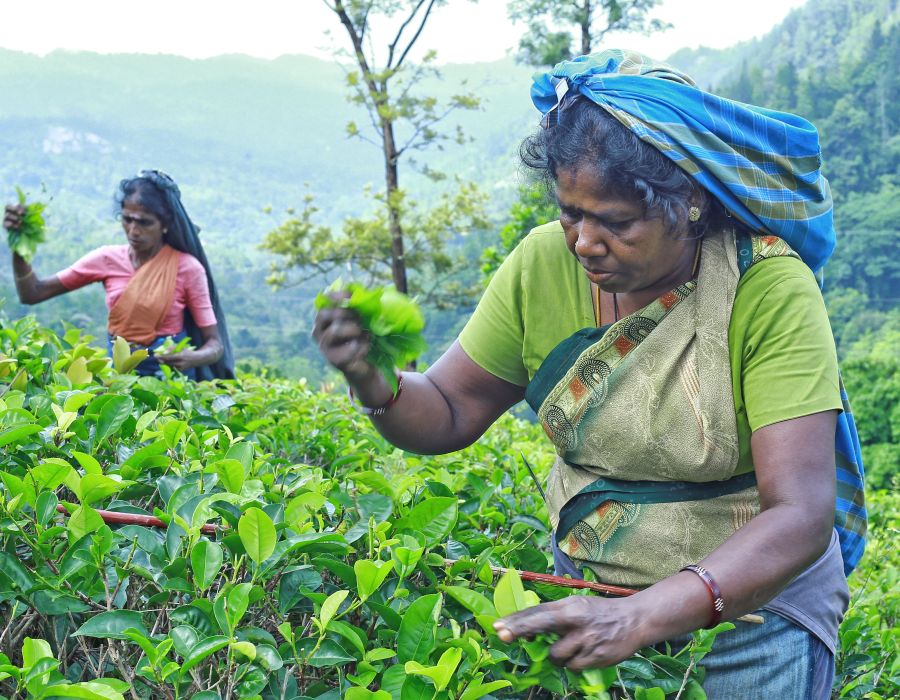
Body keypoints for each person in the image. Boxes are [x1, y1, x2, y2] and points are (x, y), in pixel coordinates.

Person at [314, 50, 867, 697]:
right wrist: (372, 380)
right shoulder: (542, 265)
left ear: (689, 202)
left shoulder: (765, 287)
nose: (583, 242)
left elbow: (800, 512)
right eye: (570, 213)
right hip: (591, 599)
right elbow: (447, 408)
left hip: (749, 619)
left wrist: (644, 613)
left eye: (616, 222)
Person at [4, 170, 234, 380]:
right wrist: (20, 242)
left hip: (170, 381)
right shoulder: (106, 259)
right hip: (119, 378)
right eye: (127, 219)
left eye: (145, 223)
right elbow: (33, 293)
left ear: (165, 225)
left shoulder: (187, 268)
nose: (134, 231)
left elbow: (215, 344)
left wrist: (192, 357)